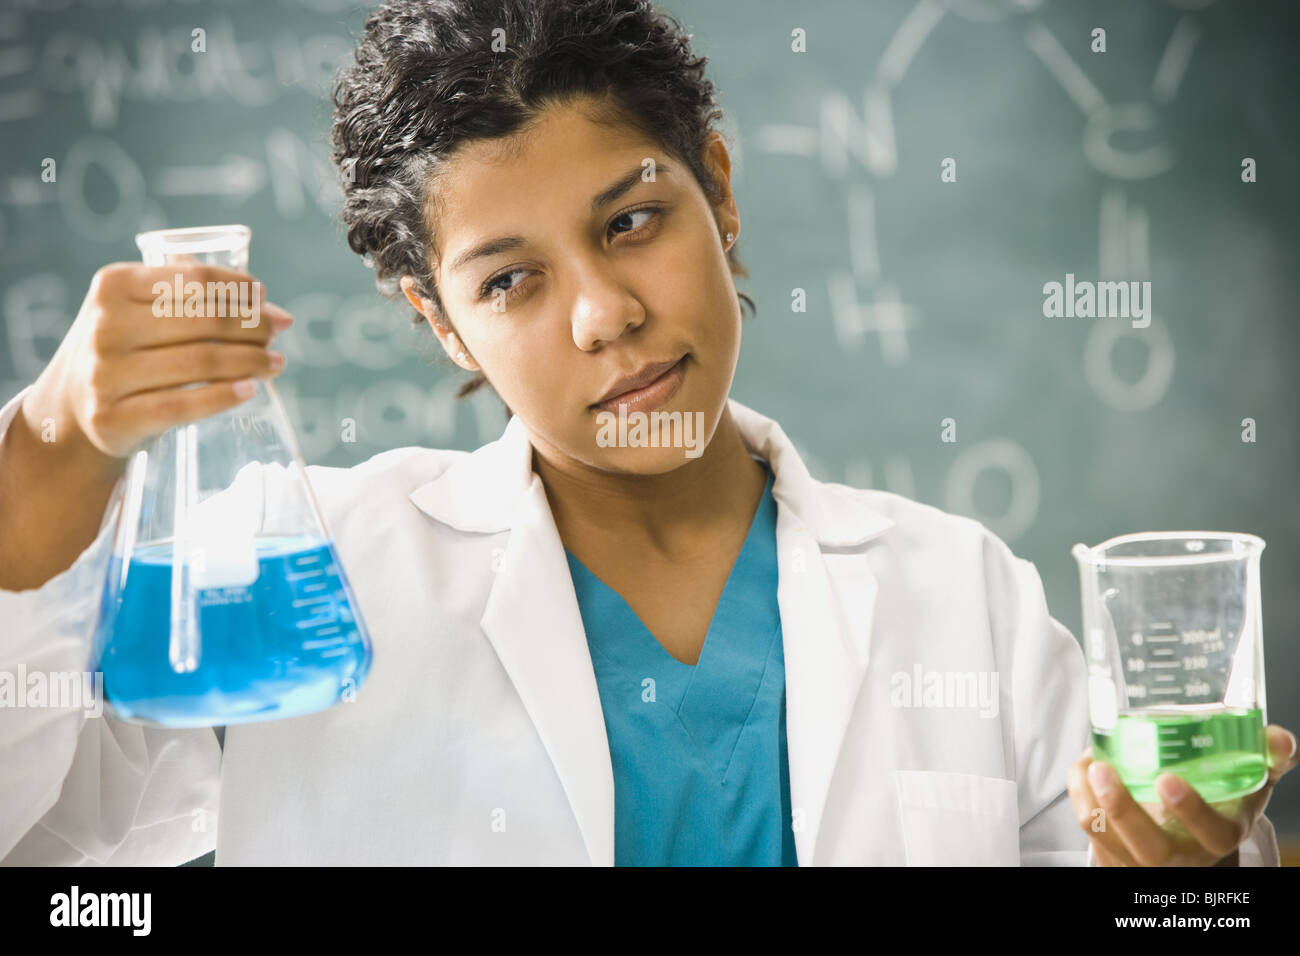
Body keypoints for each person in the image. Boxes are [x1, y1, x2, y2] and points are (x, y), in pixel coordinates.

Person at [0, 0, 1292, 867]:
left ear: (717, 192)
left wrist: (1191, 876)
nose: (608, 316)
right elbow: (38, 826)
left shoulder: (962, 597)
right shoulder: (307, 578)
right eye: (510, 282)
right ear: (440, 323)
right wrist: (55, 446)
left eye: (631, 222)